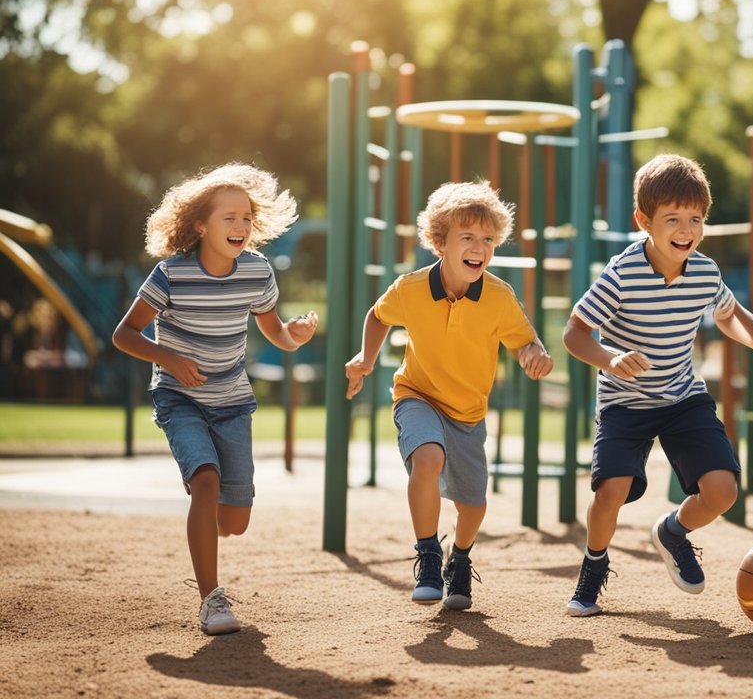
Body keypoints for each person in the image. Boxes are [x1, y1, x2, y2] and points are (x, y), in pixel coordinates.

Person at [563, 154, 753, 617]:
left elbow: (728, 314)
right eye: (673, 219)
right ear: (643, 221)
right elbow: (574, 333)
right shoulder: (622, 274)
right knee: (611, 491)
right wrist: (611, 358)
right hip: (625, 401)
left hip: (682, 397)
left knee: (723, 491)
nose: (686, 229)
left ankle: (672, 530)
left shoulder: (704, 272)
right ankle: (593, 566)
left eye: (695, 218)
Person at [112, 163, 318, 635]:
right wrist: (169, 357)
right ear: (201, 225)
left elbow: (277, 334)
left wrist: (297, 336)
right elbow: (124, 334)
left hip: (233, 403)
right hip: (178, 398)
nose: (241, 227)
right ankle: (211, 600)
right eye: (229, 218)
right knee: (205, 482)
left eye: (246, 217)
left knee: (235, 522)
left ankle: (209, 525)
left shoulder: (257, 272)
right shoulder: (171, 275)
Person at [344, 181, 553, 612]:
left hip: (469, 412)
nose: (479, 247)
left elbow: (524, 340)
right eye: (468, 238)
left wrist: (536, 355)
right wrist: (366, 358)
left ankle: (460, 557)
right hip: (417, 395)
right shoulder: (411, 288)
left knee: (472, 504)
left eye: (488, 240)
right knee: (427, 458)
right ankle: (428, 554)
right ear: (440, 242)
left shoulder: (497, 296)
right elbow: (378, 316)